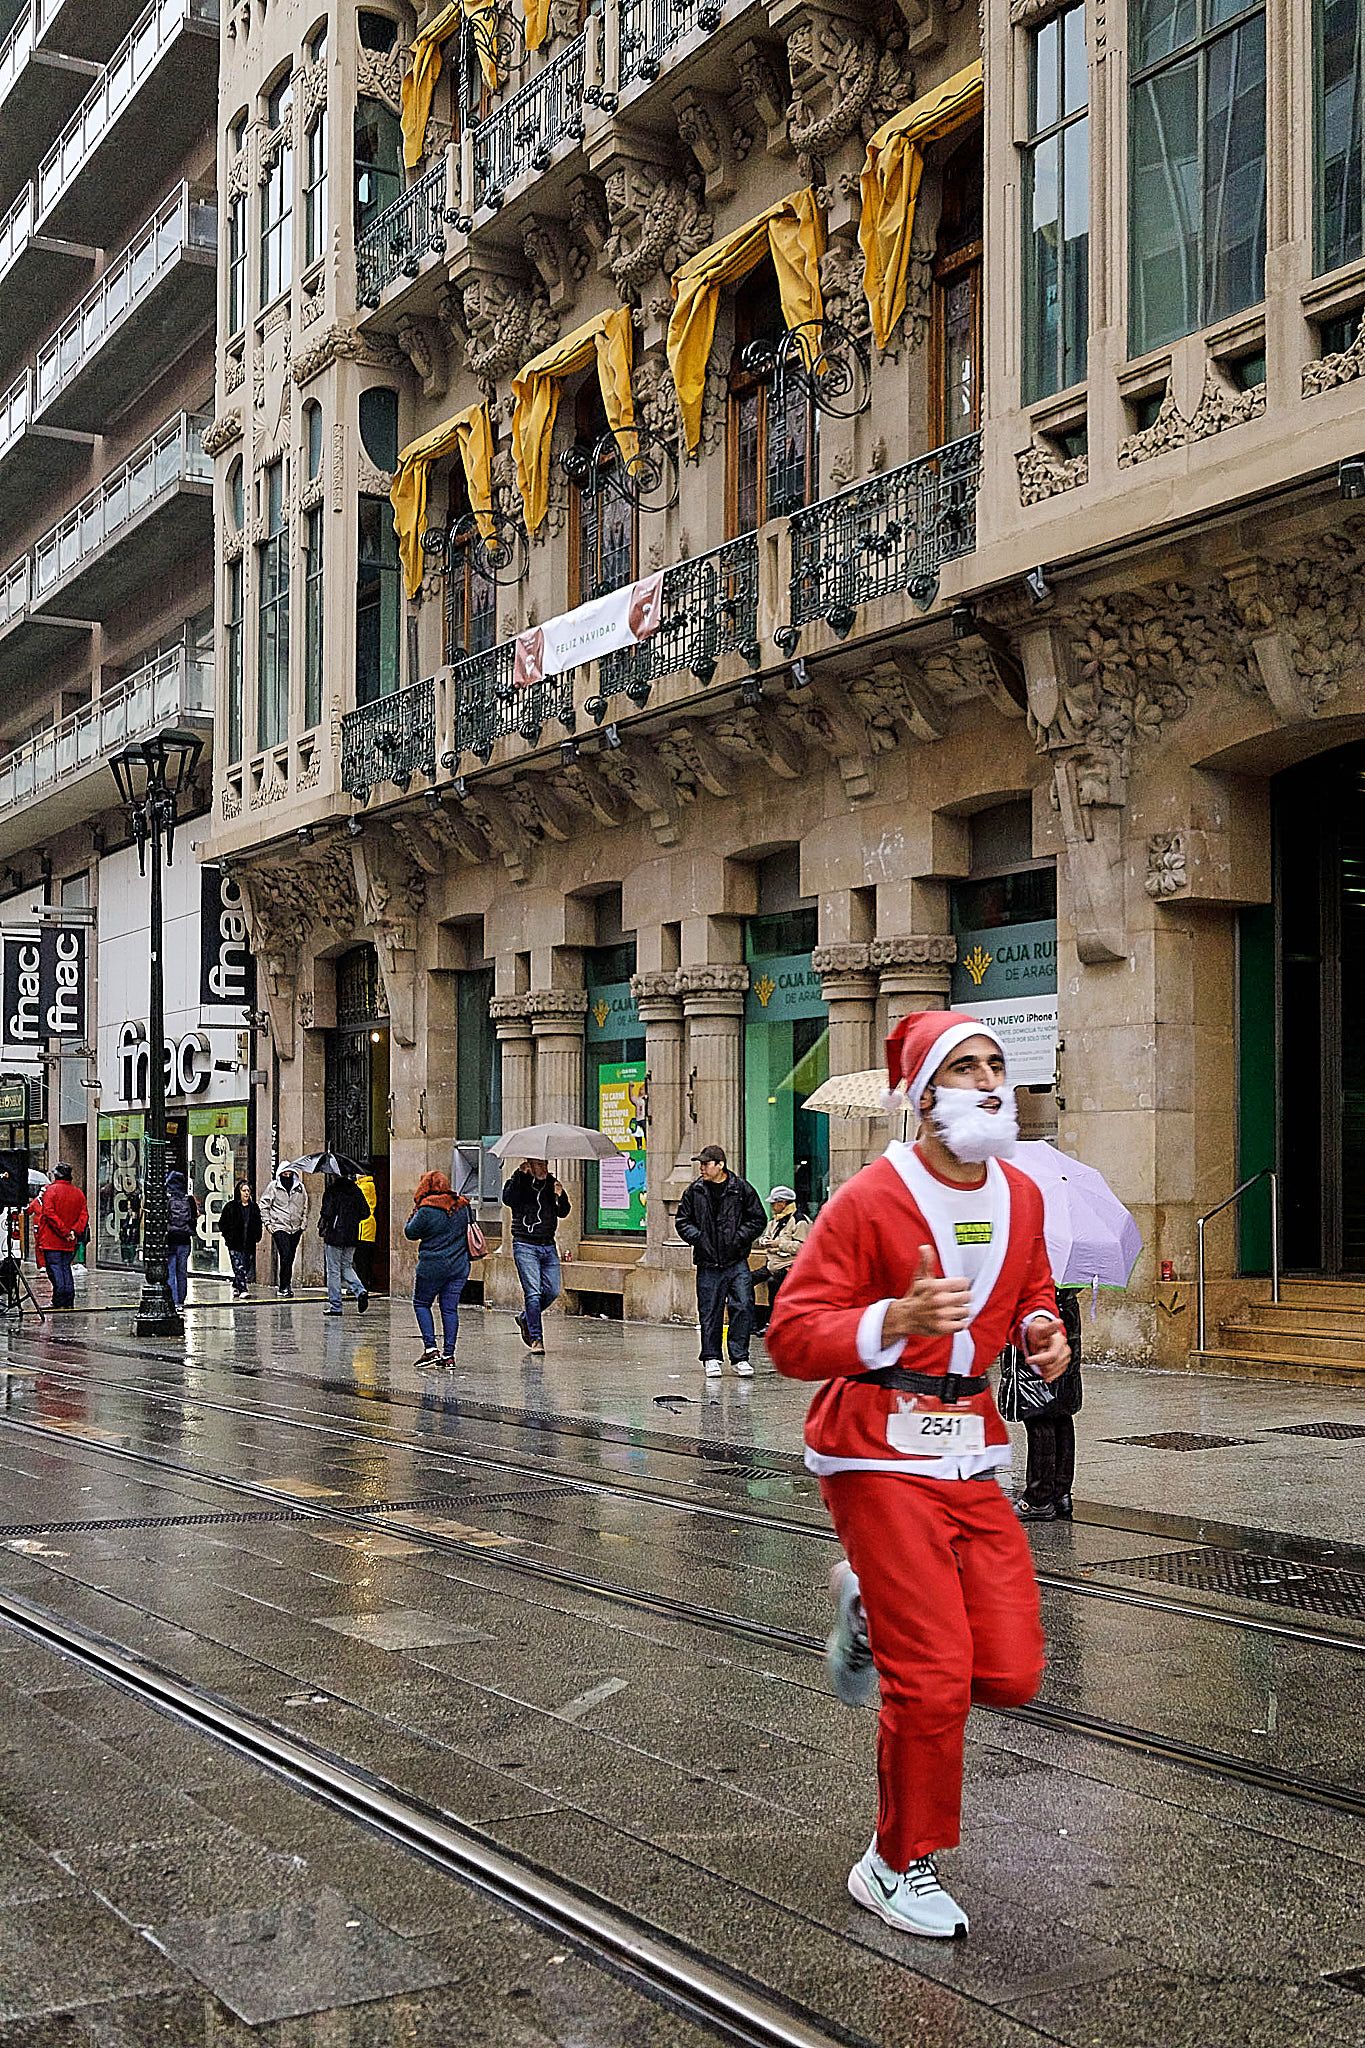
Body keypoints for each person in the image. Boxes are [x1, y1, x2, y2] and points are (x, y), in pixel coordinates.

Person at [767, 1011, 1070, 1941]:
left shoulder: (1021, 1195)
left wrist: (1039, 1332)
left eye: (996, 1065)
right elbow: (788, 1335)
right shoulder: (869, 1198)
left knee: (1012, 1670)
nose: (988, 1081)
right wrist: (891, 1319)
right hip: (875, 1445)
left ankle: (863, 1593)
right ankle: (896, 1862)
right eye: (965, 1067)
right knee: (933, 1680)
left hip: (970, 1445)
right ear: (924, 1095)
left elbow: (1029, 1292)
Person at [675, 1144, 767, 1377]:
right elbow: (682, 1221)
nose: (702, 1168)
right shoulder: (694, 1191)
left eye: (706, 1164)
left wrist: (738, 1238)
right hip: (707, 1262)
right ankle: (711, 1357)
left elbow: (757, 1219)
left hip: (736, 1261)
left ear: (720, 1165)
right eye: (700, 1164)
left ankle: (740, 1357)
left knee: (743, 1306)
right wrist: (700, 1238)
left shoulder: (741, 1189)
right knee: (709, 1310)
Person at [1017, 1285, 1083, 1521]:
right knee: (1059, 1412)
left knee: (1039, 1414)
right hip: (1064, 1318)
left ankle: (1039, 1497)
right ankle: (1061, 1493)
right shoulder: (1068, 1287)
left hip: (1043, 1326)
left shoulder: (1043, 1271)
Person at [403, 1170, 474, 1367]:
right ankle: (449, 1354)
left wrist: (415, 1211)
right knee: (450, 1308)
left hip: (432, 1266)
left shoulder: (427, 1209)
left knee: (421, 1303)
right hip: (459, 1267)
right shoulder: (462, 1206)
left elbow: (410, 1232)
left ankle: (431, 1348)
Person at [502, 1158, 569, 1356]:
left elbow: (563, 1212)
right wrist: (519, 1175)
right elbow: (508, 1199)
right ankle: (536, 1339)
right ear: (529, 1166)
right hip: (525, 1244)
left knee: (553, 1290)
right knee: (533, 1293)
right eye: (539, 1165)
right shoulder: (518, 1183)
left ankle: (525, 1319)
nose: (544, 1169)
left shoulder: (551, 1184)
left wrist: (561, 1195)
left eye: (546, 1165)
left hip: (548, 1244)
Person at [27, 1164, 89, 1311]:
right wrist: (74, 1231)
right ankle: (68, 1298)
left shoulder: (51, 1191)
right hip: (69, 1239)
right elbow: (83, 1215)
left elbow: (49, 1214)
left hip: (52, 1239)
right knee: (65, 1267)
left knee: (55, 1269)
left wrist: (65, 1231)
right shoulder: (78, 1193)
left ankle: (59, 1298)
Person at [751, 1184, 811, 1331]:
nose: (772, 1207)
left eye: (773, 1203)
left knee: (774, 1283)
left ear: (782, 1203)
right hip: (772, 1264)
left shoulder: (799, 1221)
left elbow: (803, 1247)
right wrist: (764, 1241)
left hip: (789, 1266)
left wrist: (780, 1244)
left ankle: (773, 1323)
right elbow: (764, 1237)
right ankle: (751, 1321)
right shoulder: (775, 1221)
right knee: (746, 1280)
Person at [319, 1170, 370, 1317]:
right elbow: (365, 1212)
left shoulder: (332, 1190)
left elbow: (326, 1212)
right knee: (346, 1265)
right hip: (351, 1235)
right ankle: (360, 1290)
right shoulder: (356, 1190)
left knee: (334, 1270)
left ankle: (336, 1306)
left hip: (334, 1235)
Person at [261, 1166, 308, 1297]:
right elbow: (264, 1205)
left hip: (296, 1227)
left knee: (290, 1257)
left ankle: (287, 1285)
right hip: (279, 1226)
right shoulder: (273, 1186)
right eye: (284, 1171)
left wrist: (303, 1223)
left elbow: (305, 1205)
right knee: (286, 1254)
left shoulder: (300, 1188)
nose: (287, 1174)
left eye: (289, 1171)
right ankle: (283, 1286)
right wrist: (268, 1223)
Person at [219, 1181, 262, 1297]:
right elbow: (223, 1223)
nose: (246, 1193)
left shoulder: (254, 1207)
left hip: (249, 1242)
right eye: (244, 1191)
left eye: (248, 1191)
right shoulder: (230, 1207)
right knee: (238, 1266)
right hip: (235, 1242)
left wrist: (257, 1235)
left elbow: (258, 1222)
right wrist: (228, 1236)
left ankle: (236, 1285)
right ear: (239, 1192)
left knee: (246, 1265)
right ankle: (243, 1289)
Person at [165, 1169, 199, 1312]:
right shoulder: (189, 1200)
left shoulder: (167, 1199)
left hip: (171, 1239)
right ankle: (181, 1300)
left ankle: (173, 1300)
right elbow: (194, 1219)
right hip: (184, 1239)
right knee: (182, 1271)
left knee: (171, 1270)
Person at [355, 1167, 379, 1290]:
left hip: (363, 1227)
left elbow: (358, 1205)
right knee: (364, 1258)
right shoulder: (368, 1185)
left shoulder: (364, 1186)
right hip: (367, 1226)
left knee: (361, 1258)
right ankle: (364, 1282)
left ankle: (362, 1284)